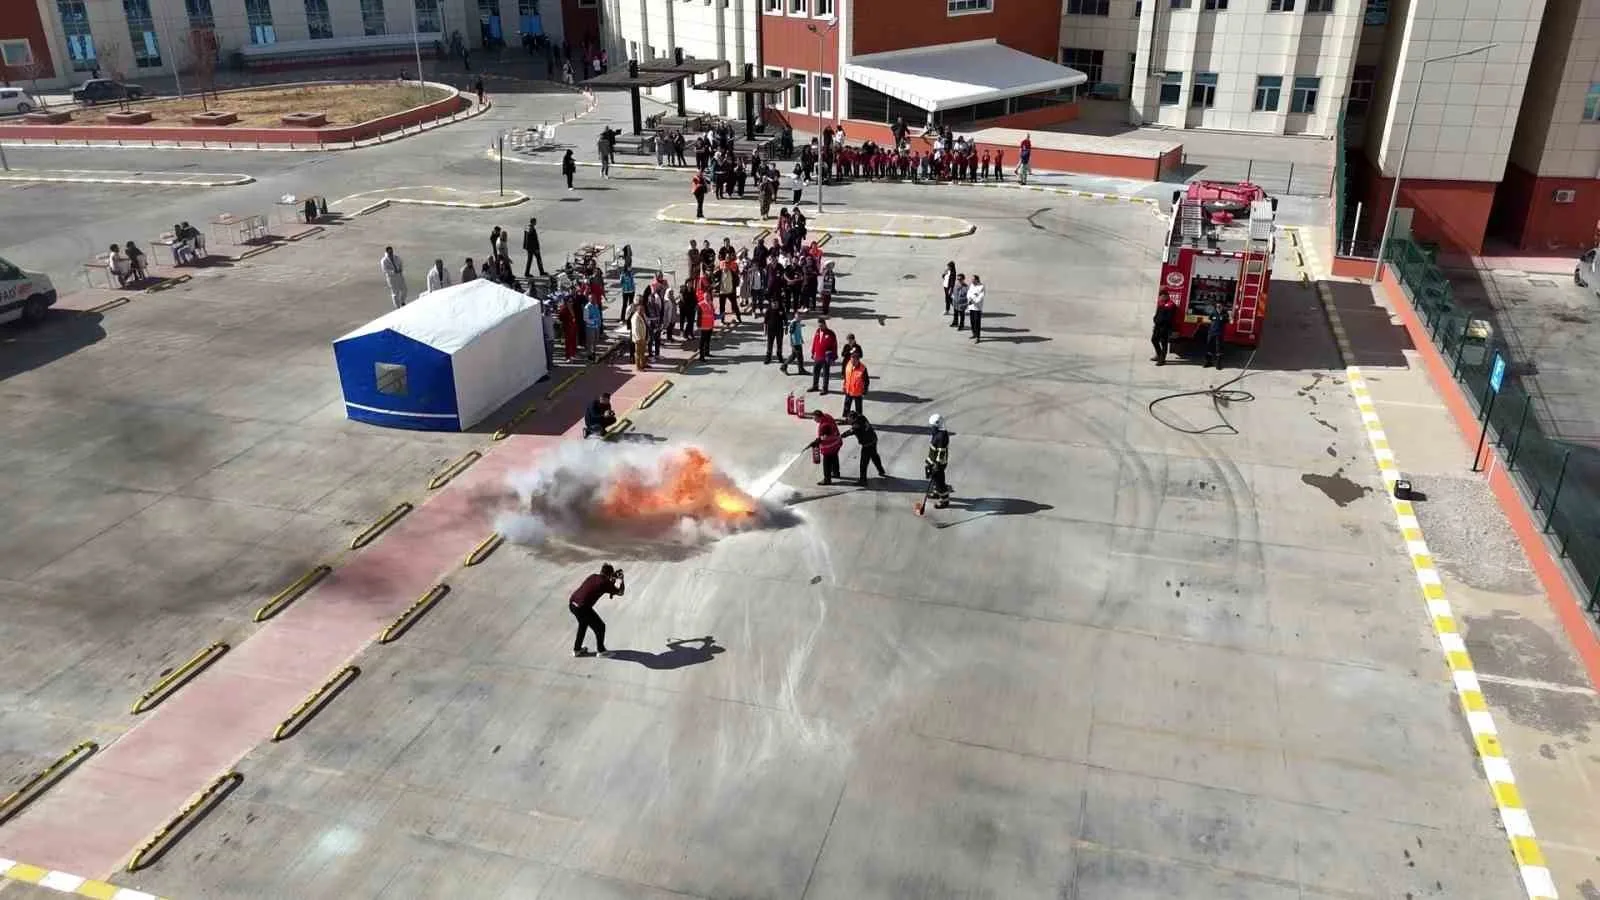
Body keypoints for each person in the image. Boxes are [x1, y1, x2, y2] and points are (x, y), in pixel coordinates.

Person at [568, 563, 624, 656]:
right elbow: (620, 592)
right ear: (609, 575)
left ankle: (577, 650)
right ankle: (601, 651)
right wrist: (622, 580)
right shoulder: (605, 583)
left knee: (583, 624)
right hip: (583, 608)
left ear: (601, 571)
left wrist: (612, 580)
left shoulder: (593, 576)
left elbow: (606, 586)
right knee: (600, 627)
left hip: (573, 604)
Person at [840, 411, 887, 486]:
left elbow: (849, 432)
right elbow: (852, 423)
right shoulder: (862, 417)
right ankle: (881, 470)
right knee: (874, 455)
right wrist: (842, 422)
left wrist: (841, 436)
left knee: (863, 463)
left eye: (849, 419)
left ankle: (863, 480)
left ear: (853, 418)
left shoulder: (856, 426)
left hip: (867, 444)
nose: (848, 420)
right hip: (873, 439)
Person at [805, 410, 844, 486]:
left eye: (815, 418)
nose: (814, 420)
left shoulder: (824, 426)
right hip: (836, 443)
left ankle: (827, 479)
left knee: (827, 463)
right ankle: (836, 473)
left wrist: (816, 442)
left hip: (829, 446)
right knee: (834, 458)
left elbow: (824, 437)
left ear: (819, 417)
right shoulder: (827, 416)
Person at [925, 413, 952, 508]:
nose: (931, 428)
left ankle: (944, 500)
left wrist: (936, 465)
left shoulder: (942, 436)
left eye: (932, 426)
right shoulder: (938, 434)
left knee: (940, 482)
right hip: (933, 462)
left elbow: (941, 452)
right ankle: (936, 492)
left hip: (938, 464)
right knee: (935, 479)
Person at [810, 317, 837, 394]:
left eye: (821, 326)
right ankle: (815, 386)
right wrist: (812, 352)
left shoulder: (831, 333)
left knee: (825, 373)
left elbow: (834, 346)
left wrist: (834, 357)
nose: (820, 327)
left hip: (826, 357)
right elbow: (814, 342)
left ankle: (825, 389)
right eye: (819, 326)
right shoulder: (817, 331)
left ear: (825, 324)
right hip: (817, 356)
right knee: (816, 371)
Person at [1151, 294, 1178, 365]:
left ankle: (1162, 360)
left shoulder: (1171, 305)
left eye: (1162, 296)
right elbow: (1157, 314)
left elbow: (1169, 318)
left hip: (1165, 327)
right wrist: (1155, 320)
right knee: (1154, 340)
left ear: (1166, 296)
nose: (1160, 297)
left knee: (1164, 343)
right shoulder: (1161, 304)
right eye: (1160, 296)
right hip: (1157, 326)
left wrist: (1162, 323)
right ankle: (1159, 355)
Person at [841, 355, 868, 420]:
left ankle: (859, 419)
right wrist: (844, 386)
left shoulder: (863, 368)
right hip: (849, 390)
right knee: (847, 405)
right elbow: (846, 377)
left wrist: (865, 390)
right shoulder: (848, 364)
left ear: (858, 360)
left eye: (854, 361)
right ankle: (846, 418)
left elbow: (866, 380)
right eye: (851, 360)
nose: (852, 362)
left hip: (857, 391)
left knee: (858, 408)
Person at [763, 297, 786, 364]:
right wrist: (764, 331)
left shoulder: (781, 310)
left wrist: (786, 328)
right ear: (771, 303)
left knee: (779, 344)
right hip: (770, 330)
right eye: (774, 303)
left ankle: (779, 356)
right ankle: (768, 357)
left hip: (779, 330)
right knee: (770, 344)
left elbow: (785, 319)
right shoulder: (769, 310)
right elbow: (765, 322)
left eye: (776, 303)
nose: (775, 304)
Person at [696, 285, 716, 359]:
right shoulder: (700, 304)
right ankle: (701, 356)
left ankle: (707, 353)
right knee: (702, 342)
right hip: (703, 326)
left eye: (708, 296)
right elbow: (698, 317)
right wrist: (698, 326)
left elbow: (712, 314)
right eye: (706, 296)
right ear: (704, 297)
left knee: (708, 340)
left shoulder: (711, 303)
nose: (708, 297)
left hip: (710, 326)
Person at [783, 309, 805, 375]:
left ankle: (800, 369)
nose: (800, 318)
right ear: (795, 316)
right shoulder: (794, 323)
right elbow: (791, 332)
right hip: (795, 343)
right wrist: (794, 343)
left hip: (798, 342)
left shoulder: (797, 323)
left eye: (801, 316)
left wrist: (801, 340)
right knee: (799, 356)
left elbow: (798, 333)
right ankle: (784, 366)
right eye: (799, 316)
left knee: (794, 356)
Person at [582, 294, 603, 360]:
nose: (594, 300)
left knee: (595, 341)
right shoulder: (587, 307)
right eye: (592, 299)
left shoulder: (596, 305)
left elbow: (598, 315)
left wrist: (599, 324)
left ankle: (594, 353)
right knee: (590, 342)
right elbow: (585, 319)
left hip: (596, 327)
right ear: (589, 299)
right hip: (590, 327)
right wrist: (594, 321)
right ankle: (589, 355)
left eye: (594, 298)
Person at [630, 301, 649, 370]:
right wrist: (638, 339)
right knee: (638, 353)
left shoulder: (642, 315)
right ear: (637, 309)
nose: (643, 311)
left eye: (643, 309)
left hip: (643, 337)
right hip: (639, 338)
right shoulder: (635, 318)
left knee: (643, 352)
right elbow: (635, 329)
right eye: (641, 310)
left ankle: (643, 364)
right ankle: (638, 367)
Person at [966, 274, 985, 342]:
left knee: (977, 322)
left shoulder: (981, 287)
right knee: (972, 321)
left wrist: (973, 300)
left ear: (977, 280)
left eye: (973, 279)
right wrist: (969, 298)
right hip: (971, 307)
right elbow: (968, 293)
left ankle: (978, 337)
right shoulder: (971, 285)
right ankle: (974, 334)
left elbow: (980, 298)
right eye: (971, 279)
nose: (972, 281)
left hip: (977, 308)